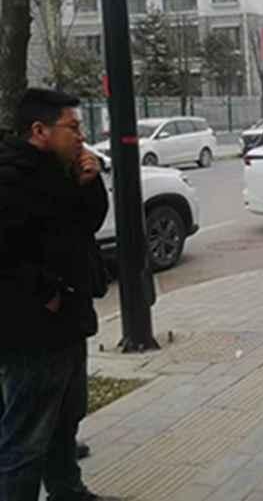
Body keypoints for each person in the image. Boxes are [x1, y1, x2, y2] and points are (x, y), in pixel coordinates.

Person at [0, 88, 117, 501]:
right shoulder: (11, 177)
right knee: (26, 436)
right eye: (72, 127)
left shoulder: (60, 169)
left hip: (68, 317)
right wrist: (46, 293)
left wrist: (90, 183)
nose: (81, 136)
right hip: (31, 327)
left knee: (66, 417)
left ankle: (68, 491)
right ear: (39, 130)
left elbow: (85, 224)